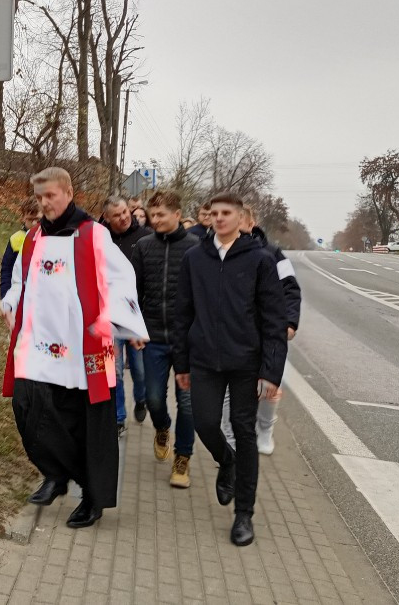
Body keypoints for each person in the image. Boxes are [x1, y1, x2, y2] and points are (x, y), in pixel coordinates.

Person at [0, 167, 149, 529]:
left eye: (50, 196)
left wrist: (123, 325)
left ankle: (92, 497)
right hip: (39, 343)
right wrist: (9, 303)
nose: (44, 203)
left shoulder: (93, 234)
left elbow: (121, 278)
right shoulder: (33, 237)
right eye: (39, 198)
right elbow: (21, 279)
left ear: (67, 192)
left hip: (84, 346)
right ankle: (56, 472)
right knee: (27, 407)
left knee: (87, 424)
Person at [173, 192, 288, 547]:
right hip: (205, 359)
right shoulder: (195, 258)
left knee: (244, 430)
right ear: (207, 218)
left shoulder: (260, 260)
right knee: (205, 422)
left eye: (227, 213)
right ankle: (227, 461)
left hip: (245, 362)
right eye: (214, 213)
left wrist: (271, 371)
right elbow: (182, 312)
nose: (219, 218)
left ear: (240, 218)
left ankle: (244, 514)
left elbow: (274, 319)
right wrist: (182, 363)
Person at [129, 189, 199, 489]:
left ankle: (182, 459)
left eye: (160, 215)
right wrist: (134, 328)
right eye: (152, 214)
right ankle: (161, 428)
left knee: (188, 403)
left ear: (177, 215)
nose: (154, 220)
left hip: (189, 342)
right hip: (152, 337)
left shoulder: (198, 248)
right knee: (154, 397)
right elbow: (132, 292)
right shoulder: (143, 246)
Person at [220, 206, 301, 455]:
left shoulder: (273, 254)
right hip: (232, 334)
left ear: (251, 223)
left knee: (269, 386)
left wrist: (290, 322)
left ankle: (265, 427)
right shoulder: (218, 252)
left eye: (243, 224)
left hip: (267, 332)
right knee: (228, 388)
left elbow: (290, 289)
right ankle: (230, 439)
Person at [99, 194, 151, 432]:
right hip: (109, 315)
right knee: (115, 370)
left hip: (136, 314)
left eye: (125, 213)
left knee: (140, 370)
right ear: (107, 219)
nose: (123, 218)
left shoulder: (144, 238)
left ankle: (140, 398)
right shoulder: (100, 239)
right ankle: (118, 416)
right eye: (117, 215)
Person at [0, 196, 42, 299]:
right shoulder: (15, 239)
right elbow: (6, 269)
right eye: (30, 219)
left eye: (38, 220)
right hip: (19, 296)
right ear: (23, 217)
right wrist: (5, 295)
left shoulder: (49, 239)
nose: (34, 223)